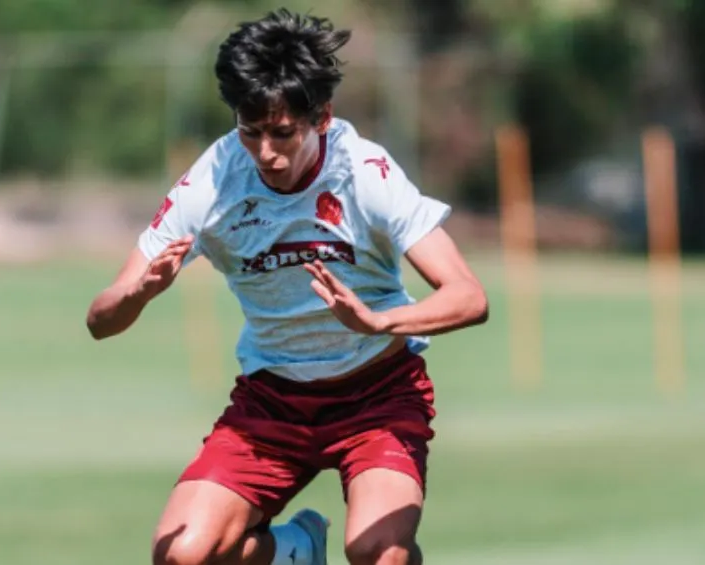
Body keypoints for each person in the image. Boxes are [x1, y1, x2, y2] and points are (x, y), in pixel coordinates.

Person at [86, 8, 488, 565]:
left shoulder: (364, 172)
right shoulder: (212, 182)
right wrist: (138, 295)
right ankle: (295, 551)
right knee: (183, 556)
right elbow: (100, 321)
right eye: (250, 132)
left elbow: (468, 296)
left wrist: (378, 321)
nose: (266, 153)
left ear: (321, 118)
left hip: (376, 395)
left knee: (380, 552)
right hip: (273, 400)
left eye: (282, 133)